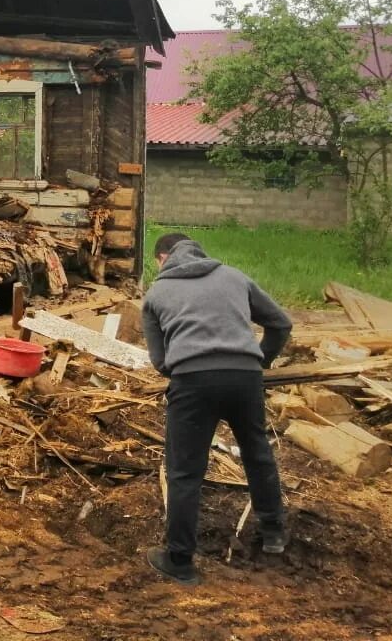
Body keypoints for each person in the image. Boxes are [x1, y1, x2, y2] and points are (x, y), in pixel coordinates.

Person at [141, 232, 292, 586]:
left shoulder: (157, 294)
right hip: (245, 379)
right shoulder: (234, 277)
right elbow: (281, 323)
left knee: (184, 472)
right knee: (257, 454)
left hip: (192, 383)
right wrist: (258, 361)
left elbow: (160, 361)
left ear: (162, 258)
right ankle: (274, 533)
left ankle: (179, 560)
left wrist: (189, 368)